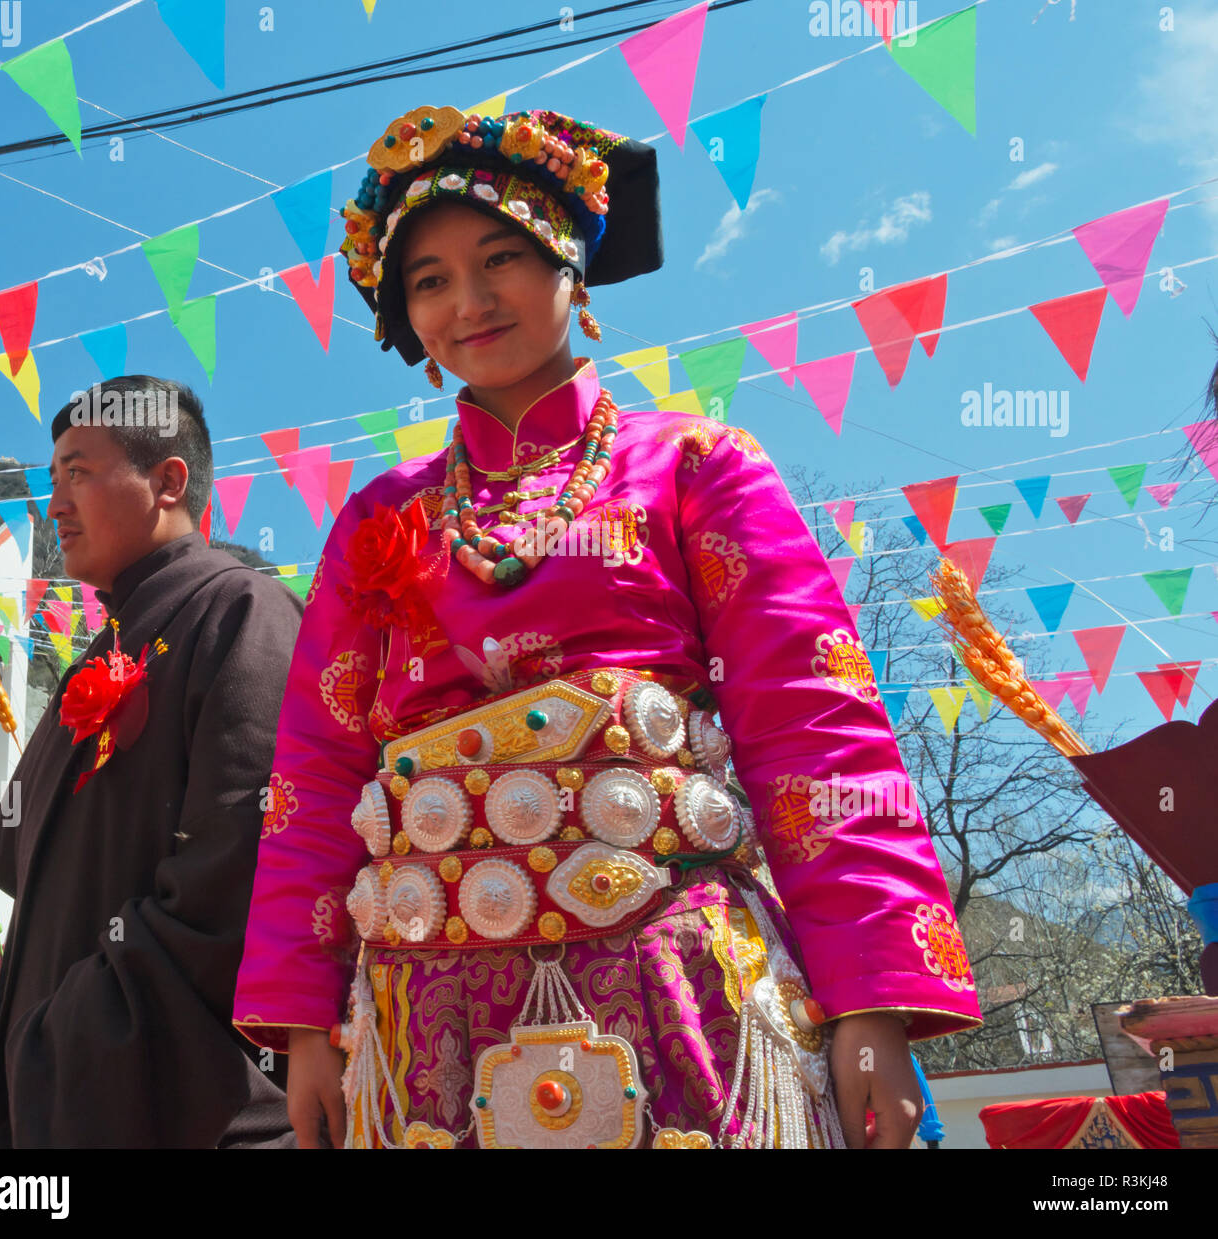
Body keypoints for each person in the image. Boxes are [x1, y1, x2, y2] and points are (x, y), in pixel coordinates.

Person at [233, 106, 982, 1150]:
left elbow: (816, 728)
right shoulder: (376, 521)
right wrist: (304, 1018)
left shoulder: (697, 466)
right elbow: (314, 772)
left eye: (502, 257)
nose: (469, 300)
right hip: (421, 1019)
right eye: (430, 280)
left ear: (572, 274)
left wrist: (872, 999)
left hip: (675, 985)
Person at [0, 375, 302, 1148]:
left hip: (170, 1108)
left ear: (168, 480)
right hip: (50, 1110)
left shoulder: (240, 611)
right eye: (52, 480)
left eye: (78, 472)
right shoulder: (104, 650)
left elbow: (245, 868)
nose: (55, 504)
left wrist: (72, 1028)